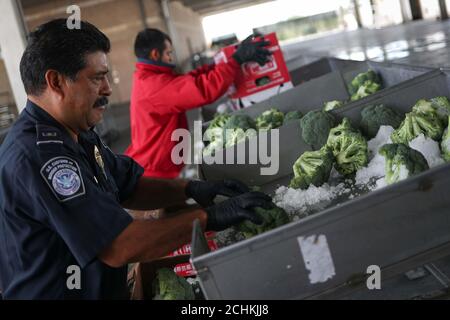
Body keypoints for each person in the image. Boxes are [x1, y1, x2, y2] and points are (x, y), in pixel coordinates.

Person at [0, 19, 273, 300]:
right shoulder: (39, 156)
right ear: (56, 81)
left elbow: (129, 186)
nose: (107, 88)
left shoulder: (75, 131)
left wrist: (191, 189)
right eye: (96, 77)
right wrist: (210, 217)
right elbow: (119, 246)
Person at [125, 28, 271, 178]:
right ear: (155, 54)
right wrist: (236, 61)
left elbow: (186, 81)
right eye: (168, 53)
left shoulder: (147, 77)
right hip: (154, 171)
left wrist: (216, 64)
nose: (171, 58)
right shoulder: (153, 86)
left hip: (153, 164)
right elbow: (202, 89)